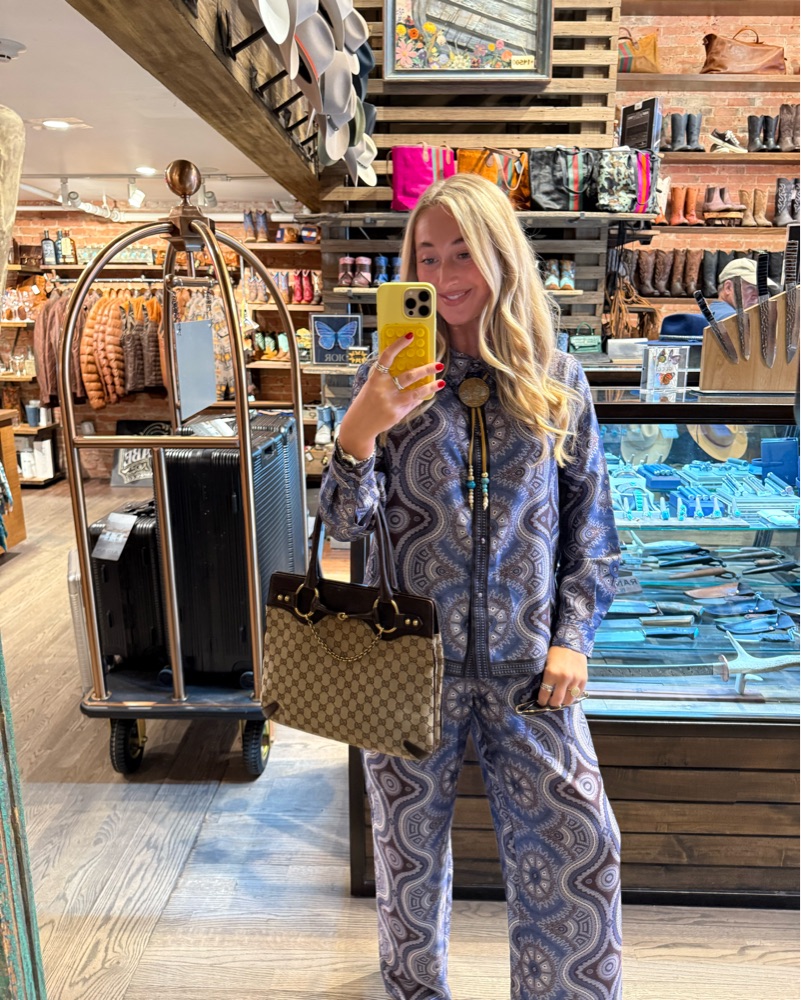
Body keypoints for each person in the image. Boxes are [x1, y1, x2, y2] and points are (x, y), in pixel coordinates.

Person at [318, 173, 622, 1000]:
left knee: (579, 847)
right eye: (427, 256)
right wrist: (359, 432)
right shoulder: (389, 376)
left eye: (463, 254)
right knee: (407, 867)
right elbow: (342, 524)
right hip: (404, 666)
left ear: (501, 259)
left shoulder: (556, 378)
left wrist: (571, 638)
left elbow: (592, 532)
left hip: (530, 670)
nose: (445, 274)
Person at [709, 257, 780, 320]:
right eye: (750, 288)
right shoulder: (730, 319)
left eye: (760, 289)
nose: (756, 295)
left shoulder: (714, 311)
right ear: (728, 288)